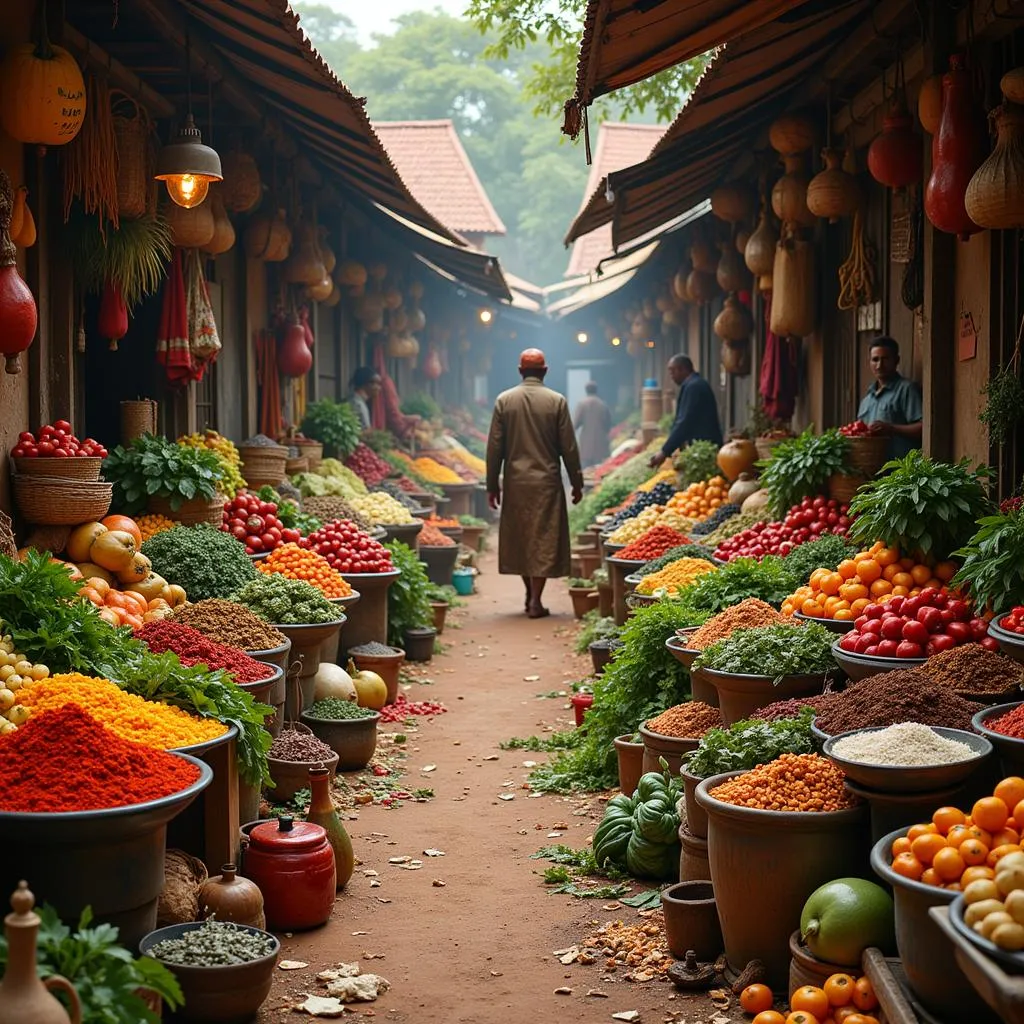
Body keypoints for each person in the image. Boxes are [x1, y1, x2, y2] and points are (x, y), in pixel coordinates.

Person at [486, 348, 584, 619]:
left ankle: (531, 595)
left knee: (521, 538)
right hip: (547, 483)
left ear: (520, 371)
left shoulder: (504, 401)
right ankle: (536, 600)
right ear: (544, 371)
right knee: (543, 539)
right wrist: (577, 482)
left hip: (516, 483)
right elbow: (569, 448)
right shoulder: (557, 401)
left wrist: (492, 485)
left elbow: (494, 448)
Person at [648, 355, 723, 468]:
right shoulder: (692, 385)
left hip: (704, 448)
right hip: (699, 446)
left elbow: (684, 422)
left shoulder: (694, 387)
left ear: (682, 369)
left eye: (673, 371)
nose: (671, 376)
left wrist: (664, 452)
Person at [856, 336, 923, 459]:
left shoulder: (906, 389)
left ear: (896, 360)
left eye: (885, 359)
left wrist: (891, 428)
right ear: (869, 362)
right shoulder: (867, 400)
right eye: (875, 359)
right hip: (873, 470)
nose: (879, 365)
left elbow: (922, 428)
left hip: (900, 472)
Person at [573, 381, 612, 468]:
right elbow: (608, 424)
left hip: (586, 444)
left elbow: (576, 424)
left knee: (586, 470)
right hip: (601, 443)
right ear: (596, 390)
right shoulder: (602, 404)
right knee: (599, 469)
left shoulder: (582, 404)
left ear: (586, 390)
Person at [348, 366, 382, 431]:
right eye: (377, 384)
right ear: (367, 383)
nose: (379, 388)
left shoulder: (358, 401)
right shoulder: (357, 404)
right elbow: (365, 432)